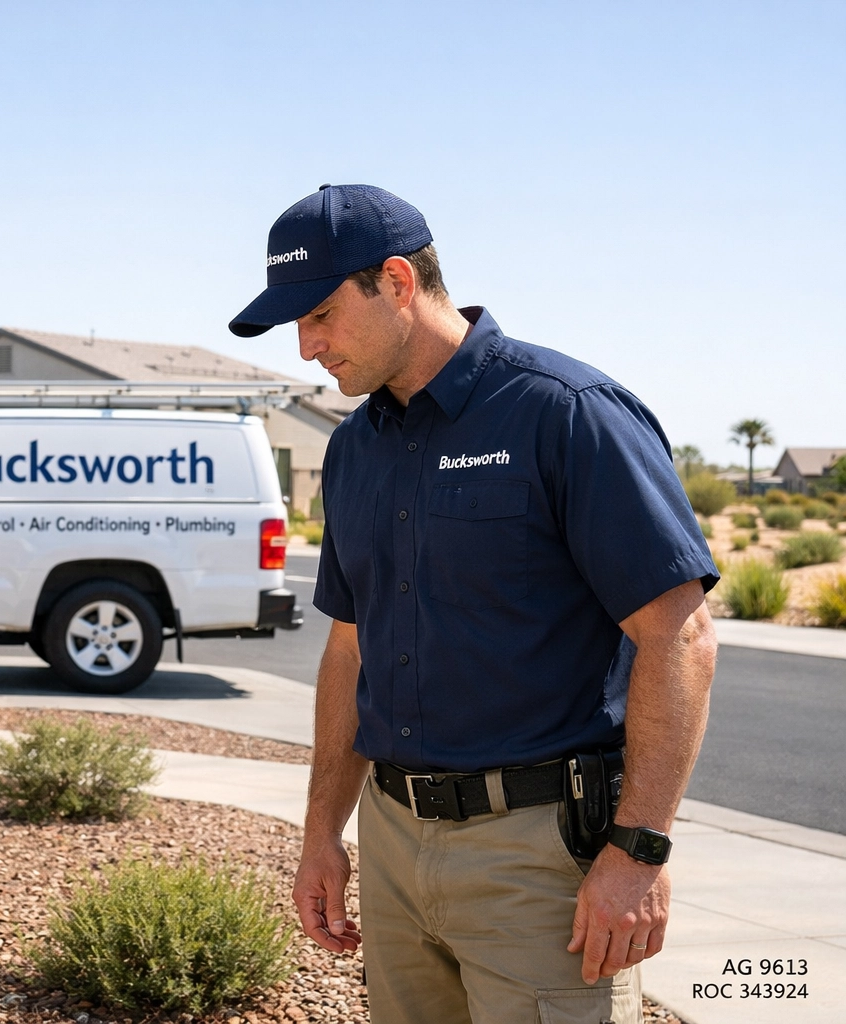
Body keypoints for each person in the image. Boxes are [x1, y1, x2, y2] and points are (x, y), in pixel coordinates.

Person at [228, 184, 719, 1024]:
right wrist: (323, 833)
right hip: (390, 844)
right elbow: (350, 649)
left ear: (395, 281)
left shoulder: (566, 414)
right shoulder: (352, 450)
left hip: (539, 858)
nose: (308, 348)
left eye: (318, 316)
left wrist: (637, 852)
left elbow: (681, 638)